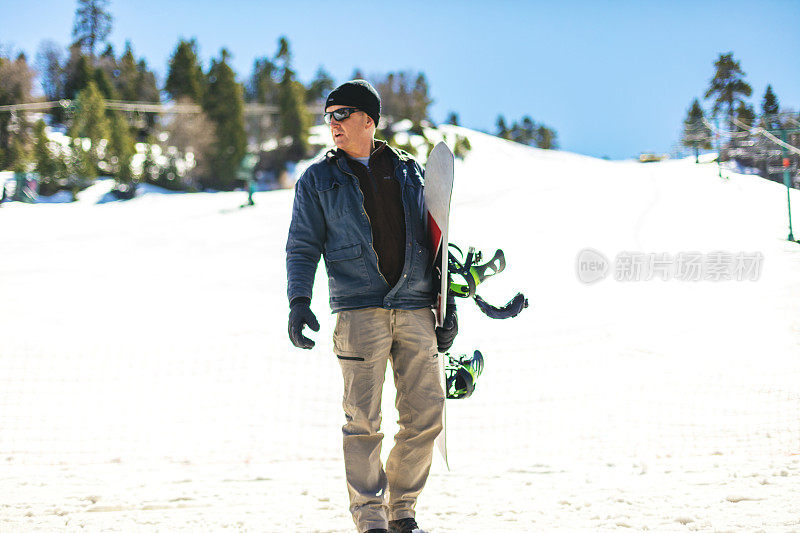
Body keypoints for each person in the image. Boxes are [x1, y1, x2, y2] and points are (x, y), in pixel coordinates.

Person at [285, 80, 458, 533]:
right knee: (362, 421)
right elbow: (302, 247)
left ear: (368, 118)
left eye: (341, 114)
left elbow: (437, 240)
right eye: (328, 116)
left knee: (426, 415)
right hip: (358, 312)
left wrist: (448, 304)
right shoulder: (317, 180)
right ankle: (370, 519)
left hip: (417, 305)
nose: (333, 124)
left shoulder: (409, 172)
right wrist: (298, 301)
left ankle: (401, 512)